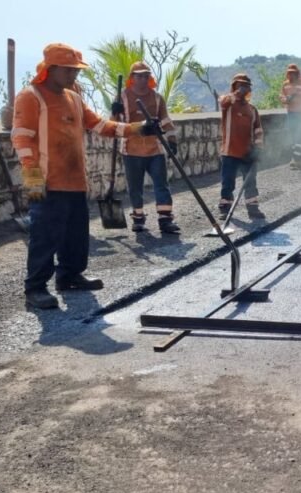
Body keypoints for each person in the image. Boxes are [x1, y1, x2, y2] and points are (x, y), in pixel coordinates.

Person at [13, 43, 159, 309]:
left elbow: (101, 126)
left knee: (76, 234)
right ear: (51, 69)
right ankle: (35, 289)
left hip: (75, 180)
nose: (74, 76)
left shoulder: (74, 99)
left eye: (76, 71)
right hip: (47, 180)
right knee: (45, 236)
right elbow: (22, 137)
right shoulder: (31, 96)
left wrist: (139, 128)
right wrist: (33, 177)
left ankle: (70, 276)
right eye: (68, 70)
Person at [120, 61, 180, 233]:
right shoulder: (123, 97)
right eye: (139, 75)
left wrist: (172, 140)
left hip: (155, 149)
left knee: (161, 185)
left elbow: (166, 120)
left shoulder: (157, 97)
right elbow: (115, 123)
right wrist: (115, 110)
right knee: (135, 187)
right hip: (131, 149)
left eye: (146, 75)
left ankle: (165, 220)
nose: (143, 79)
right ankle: (138, 219)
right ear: (132, 78)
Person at [219, 73, 264, 218]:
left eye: (245, 86)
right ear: (234, 86)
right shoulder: (228, 105)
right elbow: (223, 101)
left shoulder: (252, 109)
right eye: (240, 85)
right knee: (228, 182)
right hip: (229, 151)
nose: (243, 88)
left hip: (247, 152)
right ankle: (225, 209)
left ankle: (253, 208)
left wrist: (258, 148)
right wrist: (236, 93)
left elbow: (258, 130)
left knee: (250, 181)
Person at [279, 64, 301, 170]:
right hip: (291, 112)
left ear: (297, 73)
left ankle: (296, 160)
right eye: (289, 73)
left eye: (293, 73)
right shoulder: (285, 85)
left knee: (299, 136)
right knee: (293, 136)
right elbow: (282, 96)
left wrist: (298, 97)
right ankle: (297, 160)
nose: (291, 75)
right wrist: (285, 100)